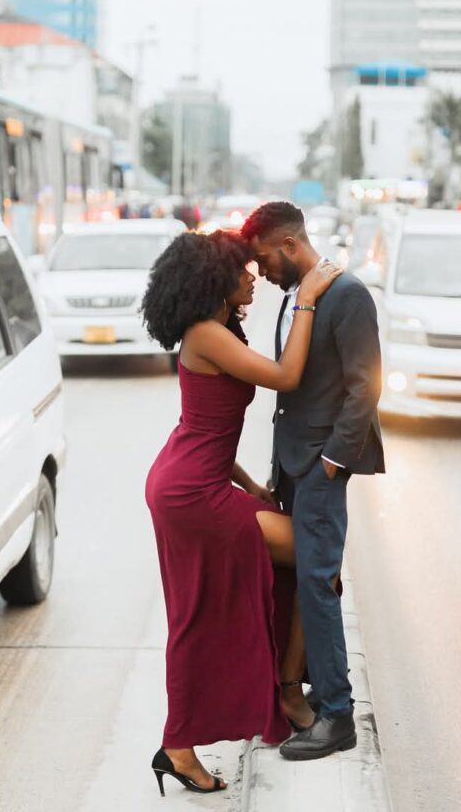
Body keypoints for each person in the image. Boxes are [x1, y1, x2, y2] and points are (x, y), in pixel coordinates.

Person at [142, 230, 341, 796]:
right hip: (190, 491)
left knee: (282, 573)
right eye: (243, 269)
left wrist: (254, 486)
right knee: (300, 562)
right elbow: (286, 376)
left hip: (196, 478)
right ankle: (201, 734)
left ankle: (280, 689)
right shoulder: (206, 333)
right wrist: (305, 299)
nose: (253, 275)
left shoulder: (219, 329)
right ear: (215, 279)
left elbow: (209, 428)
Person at [241, 202, 384, 762]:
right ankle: (304, 694)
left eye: (263, 259)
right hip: (295, 467)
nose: (261, 272)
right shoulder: (293, 299)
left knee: (319, 586)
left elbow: (365, 385)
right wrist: (286, 471)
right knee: (308, 584)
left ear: (289, 246)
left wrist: (332, 461)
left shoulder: (347, 295)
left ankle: (337, 714)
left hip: (321, 467)